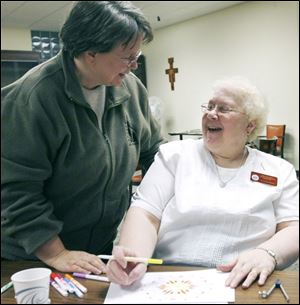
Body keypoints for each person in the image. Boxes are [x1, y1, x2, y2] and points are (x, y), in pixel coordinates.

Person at [1, 1, 164, 274]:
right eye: (127, 57)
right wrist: (57, 253)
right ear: (91, 52)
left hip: (94, 249)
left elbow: (153, 154)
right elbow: (16, 192)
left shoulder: (130, 89)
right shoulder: (33, 97)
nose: (134, 66)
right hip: (31, 256)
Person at [106, 76, 299, 288]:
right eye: (209, 106)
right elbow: (145, 213)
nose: (210, 113)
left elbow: (292, 227)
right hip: (170, 278)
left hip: (244, 281)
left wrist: (267, 254)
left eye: (224, 108)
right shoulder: (174, 156)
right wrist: (134, 257)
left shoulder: (279, 170)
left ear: (249, 126)